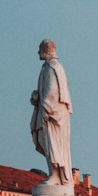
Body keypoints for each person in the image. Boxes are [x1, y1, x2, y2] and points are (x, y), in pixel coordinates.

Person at [30, 39, 73, 185]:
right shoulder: (51, 67)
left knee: (52, 144)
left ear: (45, 50)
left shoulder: (52, 67)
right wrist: (37, 97)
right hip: (53, 112)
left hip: (53, 114)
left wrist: (46, 109)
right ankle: (54, 174)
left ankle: (55, 175)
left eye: (39, 49)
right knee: (48, 143)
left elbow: (52, 91)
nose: (37, 52)